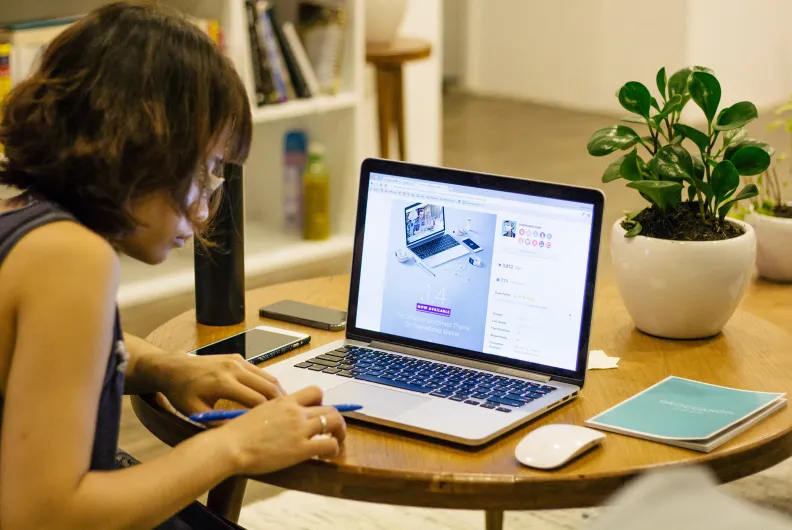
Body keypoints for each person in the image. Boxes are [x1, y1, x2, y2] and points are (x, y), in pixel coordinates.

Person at [0, 2, 346, 529]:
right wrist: (235, 446)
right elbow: (42, 516)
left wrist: (165, 366)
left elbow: (46, 354)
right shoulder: (73, 259)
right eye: (203, 171)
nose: (205, 210)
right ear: (142, 146)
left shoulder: (20, 215)